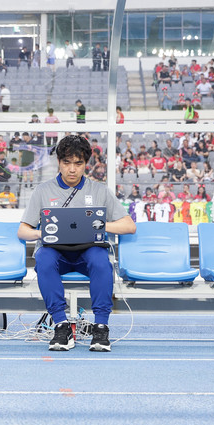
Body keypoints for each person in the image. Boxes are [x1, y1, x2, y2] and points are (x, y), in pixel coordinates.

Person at [18, 135, 136, 352]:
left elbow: (129, 226)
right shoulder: (43, 191)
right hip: (56, 252)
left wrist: (99, 225)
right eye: (66, 163)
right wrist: (43, 232)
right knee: (43, 258)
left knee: (101, 261)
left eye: (78, 163)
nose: (72, 169)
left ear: (86, 164)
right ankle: (61, 325)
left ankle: (101, 327)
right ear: (59, 162)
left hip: (88, 251)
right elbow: (23, 231)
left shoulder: (99, 191)